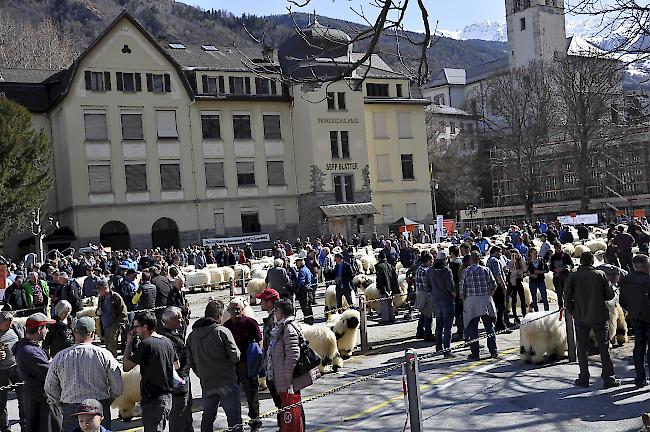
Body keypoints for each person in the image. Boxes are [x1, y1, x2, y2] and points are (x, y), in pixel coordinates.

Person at [45, 317, 123, 432]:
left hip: (71, 408)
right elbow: (118, 387)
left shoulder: (60, 357)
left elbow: (50, 387)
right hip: (98, 406)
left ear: (74, 332)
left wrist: (60, 404)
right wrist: (108, 400)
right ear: (93, 333)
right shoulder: (104, 355)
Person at [564, 251, 620, 388]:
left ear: (581, 262)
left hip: (580, 317)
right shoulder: (600, 275)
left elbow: (566, 295)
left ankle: (584, 378)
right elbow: (609, 296)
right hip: (599, 316)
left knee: (582, 349)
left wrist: (573, 311)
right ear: (592, 262)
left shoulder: (573, 276)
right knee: (604, 348)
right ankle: (609, 378)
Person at [186, 300, 242, 432]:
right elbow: (235, 356)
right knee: (234, 421)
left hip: (207, 383)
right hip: (227, 381)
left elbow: (191, 362)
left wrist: (201, 373)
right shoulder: (222, 331)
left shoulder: (192, 336)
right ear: (219, 315)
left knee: (208, 419)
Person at [123, 312, 179, 432]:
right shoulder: (167, 341)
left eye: (136, 327)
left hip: (153, 399)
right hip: (167, 397)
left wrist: (128, 343)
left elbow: (126, 366)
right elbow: (176, 365)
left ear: (145, 327)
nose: (135, 331)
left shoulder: (146, 344)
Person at [268, 298, 317, 431]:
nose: (274, 314)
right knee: (292, 407)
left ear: (281, 312)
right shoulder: (283, 326)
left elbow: (293, 354)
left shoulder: (288, 328)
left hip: (288, 379)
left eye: (276, 310)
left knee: (293, 408)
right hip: (283, 377)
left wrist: (287, 377)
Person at [12, 312, 60, 432]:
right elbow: (51, 374)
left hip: (37, 398)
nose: (47, 331)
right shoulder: (30, 352)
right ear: (39, 329)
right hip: (41, 402)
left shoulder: (28, 347)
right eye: (46, 328)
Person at [223, 298, 262, 432]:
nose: (236, 311)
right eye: (233, 309)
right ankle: (235, 424)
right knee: (233, 396)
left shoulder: (250, 323)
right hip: (233, 365)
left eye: (238, 308)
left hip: (248, 363)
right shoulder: (226, 326)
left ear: (243, 309)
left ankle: (255, 422)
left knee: (252, 393)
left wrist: (259, 361)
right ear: (229, 311)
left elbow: (259, 341)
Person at [459, 252, 498, 360]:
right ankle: (493, 350)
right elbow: (494, 285)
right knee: (489, 327)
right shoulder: (486, 270)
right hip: (485, 299)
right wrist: (489, 295)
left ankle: (475, 353)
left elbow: (462, 290)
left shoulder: (466, 272)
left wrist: (464, 301)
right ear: (479, 259)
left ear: (471, 260)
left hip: (471, 302)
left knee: (473, 328)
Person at [159, 307, 192, 432]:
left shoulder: (175, 334)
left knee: (186, 411)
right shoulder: (167, 338)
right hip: (178, 379)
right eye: (178, 318)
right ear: (170, 320)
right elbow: (174, 362)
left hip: (184, 376)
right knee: (179, 413)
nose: (181, 320)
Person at [619, 254, 650, 388]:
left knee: (638, 347)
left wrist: (632, 311)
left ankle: (640, 377)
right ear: (645, 266)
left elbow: (622, 301)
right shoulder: (648, 280)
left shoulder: (625, 280)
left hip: (636, 318)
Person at [427, 251, 456, 357]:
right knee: (448, 327)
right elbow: (451, 287)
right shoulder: (446, 270)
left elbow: (428, 286)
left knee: (439, 326)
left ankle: (438, 348)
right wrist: (455, 295)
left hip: (436, 301)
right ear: (445, 259)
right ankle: (447, 350)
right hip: (447, 300)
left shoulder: (430, 271)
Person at [0, 312, 25, 432]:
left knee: (23, 398)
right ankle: (5, 428)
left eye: (11, 321)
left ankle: (25, 425)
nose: (10, 324)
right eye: (7, 323)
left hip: (16, 368)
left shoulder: (16, 328)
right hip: (1, 371)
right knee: (1, 402)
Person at [96, 278, 128, 358]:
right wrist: (98, 312)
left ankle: (113, 360)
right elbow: (98, 310)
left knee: (112, 343)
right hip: (105, 325)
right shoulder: (101, 298)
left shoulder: (115, 297)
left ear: (105, 288)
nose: (99, 291)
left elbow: (123, 312)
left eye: (100, 289)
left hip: (114, 324)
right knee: (107, 344)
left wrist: (118, 324)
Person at [486, 246, 512, 331]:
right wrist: (503, 285)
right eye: (499, 252)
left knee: (497, 307)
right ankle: (501, 326)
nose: (500, 254)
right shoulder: (495, 261)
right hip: (498, 287)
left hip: (492, 287)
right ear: (495, 252)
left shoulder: (489, 260)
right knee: (501, 307)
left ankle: (498, 325)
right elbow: (497, 274)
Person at [375, 251, 399, 324]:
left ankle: (385, 319)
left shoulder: (379, 266)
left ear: (379, 258)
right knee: (390, 303)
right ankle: (392, 317)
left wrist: (378, 286)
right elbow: (395, 276)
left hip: (383, 287)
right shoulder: (390, 266)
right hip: (391, 287)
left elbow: (379, 278)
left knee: (384, 303)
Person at [415, 253, 434, 341]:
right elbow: (427, 284)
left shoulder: (419, 268)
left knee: (423, 313)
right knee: (428, 314)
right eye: (431, 260)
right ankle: (428, 333)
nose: (432, 262)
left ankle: (419, 331)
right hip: (426, 294)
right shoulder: (425, 270)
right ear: (428, 260)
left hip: (420, 293)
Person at [549, 241, 573, 310]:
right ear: (554, 248)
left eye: (559, 247)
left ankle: (568, 307)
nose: (558, 249)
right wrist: (555, 270)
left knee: (567, 293)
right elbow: (551, 267)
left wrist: (565, 267)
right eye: (557, 247)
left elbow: (571, 265)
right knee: (559, 294)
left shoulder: (566, 255)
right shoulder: (553, 257)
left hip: (565, 277)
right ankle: (560, 308)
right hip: (557, 278)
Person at [507, 250, 527, 324]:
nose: (515, 256)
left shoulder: (520, 262)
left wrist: (521, 259)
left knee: (523, 298)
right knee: (514, 300)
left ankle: (524, 314)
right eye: (513, 255)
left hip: (519, 281)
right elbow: (509, 269)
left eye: (516, 254)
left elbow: (525, 269)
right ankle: (515, 316)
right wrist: (512, 261)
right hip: (513, 282)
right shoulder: (510, 262)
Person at [527, 247, 549, 312]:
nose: (536, 254)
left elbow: (547, 270)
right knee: (534, 297)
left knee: (544, 296)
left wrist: (540, 272)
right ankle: (536, 311)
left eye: (537, 253)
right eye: (535, 253)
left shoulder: (542, 260)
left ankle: (547, 311)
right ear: (530, 254)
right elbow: (525, 273)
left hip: (541, 280)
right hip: (532, 281)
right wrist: (532, 275)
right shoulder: (528, 262)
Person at [294, 254, 314, 324]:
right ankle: (310, 321)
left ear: (300, 262)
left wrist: (297, 290)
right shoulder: (307, 269)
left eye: (297, 263)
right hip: (309, 291)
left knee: (305, 309)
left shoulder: (302, 271)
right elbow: (311, 276)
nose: (296, 265)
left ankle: (308, 323)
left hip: (303, 293)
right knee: (308, 308)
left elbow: (301, 282)